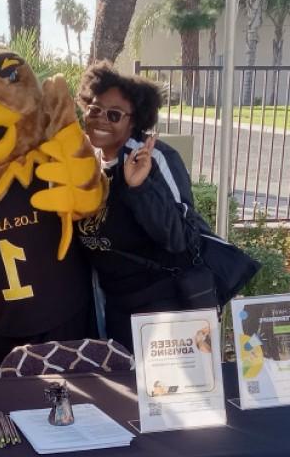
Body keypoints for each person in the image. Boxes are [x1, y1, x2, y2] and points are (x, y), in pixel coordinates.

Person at [75, 61, 212, 351]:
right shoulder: (84, 163)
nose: (101, 120)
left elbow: (180, 238)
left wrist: (139, 187)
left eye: (114, 115)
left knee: (169, 392)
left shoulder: (155, 158)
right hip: (113, 305)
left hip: (162, 305)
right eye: (95, 109)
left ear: (133, 121)